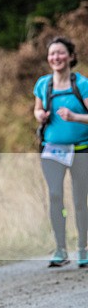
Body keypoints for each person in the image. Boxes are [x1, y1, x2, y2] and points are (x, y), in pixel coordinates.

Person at [33, 36, 88, 268]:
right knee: (55, 195)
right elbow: (37, 109)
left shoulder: (82, 84)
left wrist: (75, 117)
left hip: (81, 149)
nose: (56, 57)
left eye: (61, 53)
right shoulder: (43, 85)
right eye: (52, 53)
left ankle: (83, 248)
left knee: (80, 200)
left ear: (71, 56)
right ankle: (60, 248)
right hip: (52, 150)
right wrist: (40, 115)